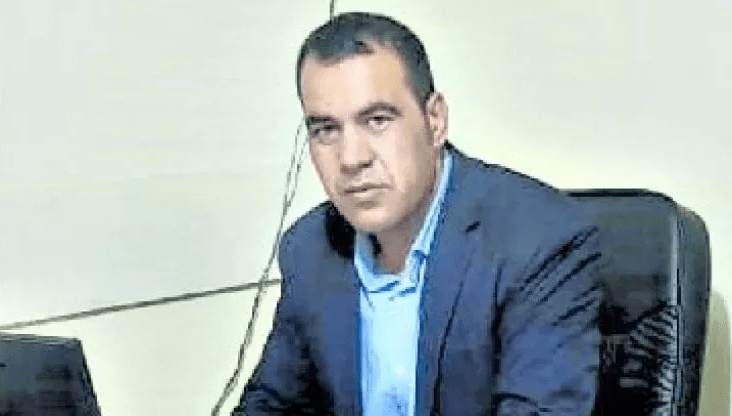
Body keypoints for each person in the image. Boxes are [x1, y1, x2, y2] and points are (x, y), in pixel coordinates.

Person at [234, 11, 603, 416]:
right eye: (326, 130)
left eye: (377, 120)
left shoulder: (538, 241)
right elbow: (271, 403)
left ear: (435, 120)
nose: (351, 158)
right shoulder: (310, 248)